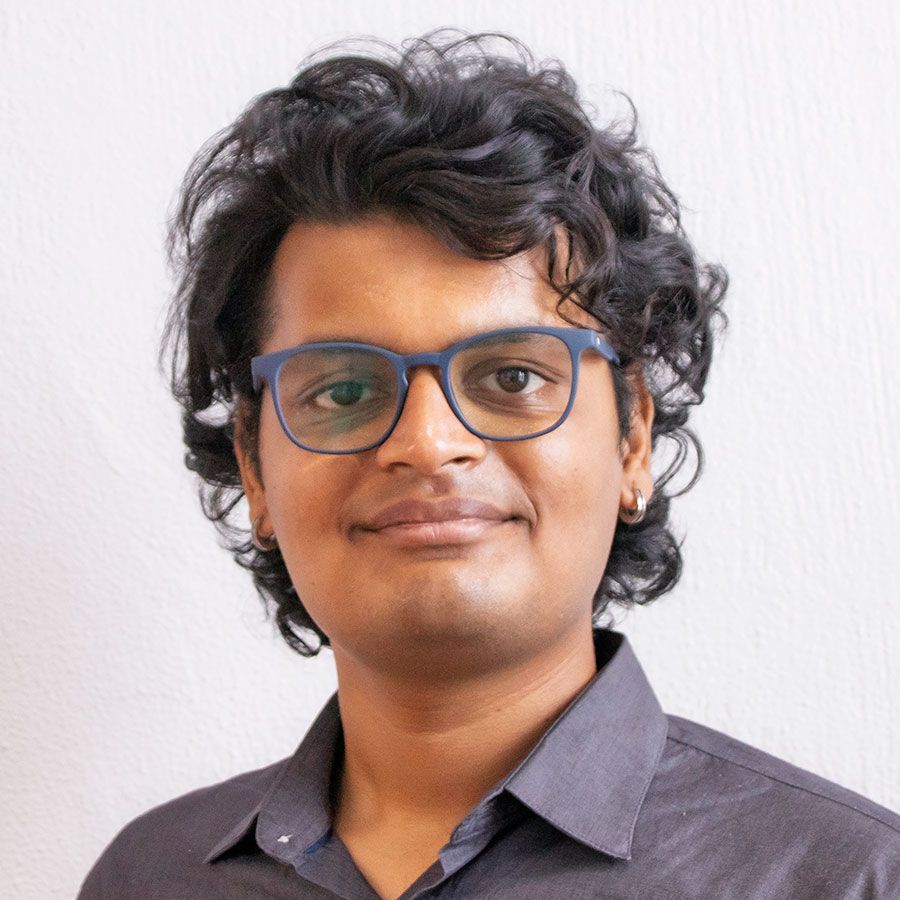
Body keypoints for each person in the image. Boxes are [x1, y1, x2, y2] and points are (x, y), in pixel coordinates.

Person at [77, 28, 900, 900]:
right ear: (253, 466)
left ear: (631, 440)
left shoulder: (841, 880)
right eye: (344, 391)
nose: (428, 444)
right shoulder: (148, 877)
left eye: (513, 376)